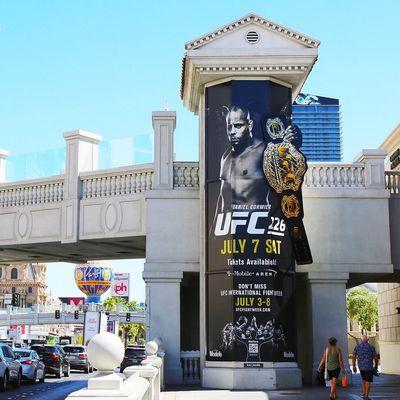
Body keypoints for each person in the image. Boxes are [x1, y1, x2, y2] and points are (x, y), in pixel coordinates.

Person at [352, 334, 379, 400]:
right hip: (369, 367)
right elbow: (375, 358)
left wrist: (354, 366)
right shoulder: (371, 347)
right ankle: (366, 396)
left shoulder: (357, 347)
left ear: (361, 340)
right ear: (367, 340)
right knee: (368, 381)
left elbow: (354, 357)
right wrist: (376, 366)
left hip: (361, 367)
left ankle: (364, 393)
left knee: (363, 379)